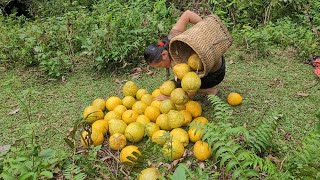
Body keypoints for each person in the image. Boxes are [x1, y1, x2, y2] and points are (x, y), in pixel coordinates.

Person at [144, 10, 226, 99]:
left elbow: (190, 90)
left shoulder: (180, 62)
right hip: (218, 60)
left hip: (215, 74)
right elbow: (187, 14)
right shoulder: (172, 37)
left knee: (184, 85)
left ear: (164, 54)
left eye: (159, 66)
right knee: (176, 82)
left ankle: (210, 90)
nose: (161, 68)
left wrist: (204, 30)